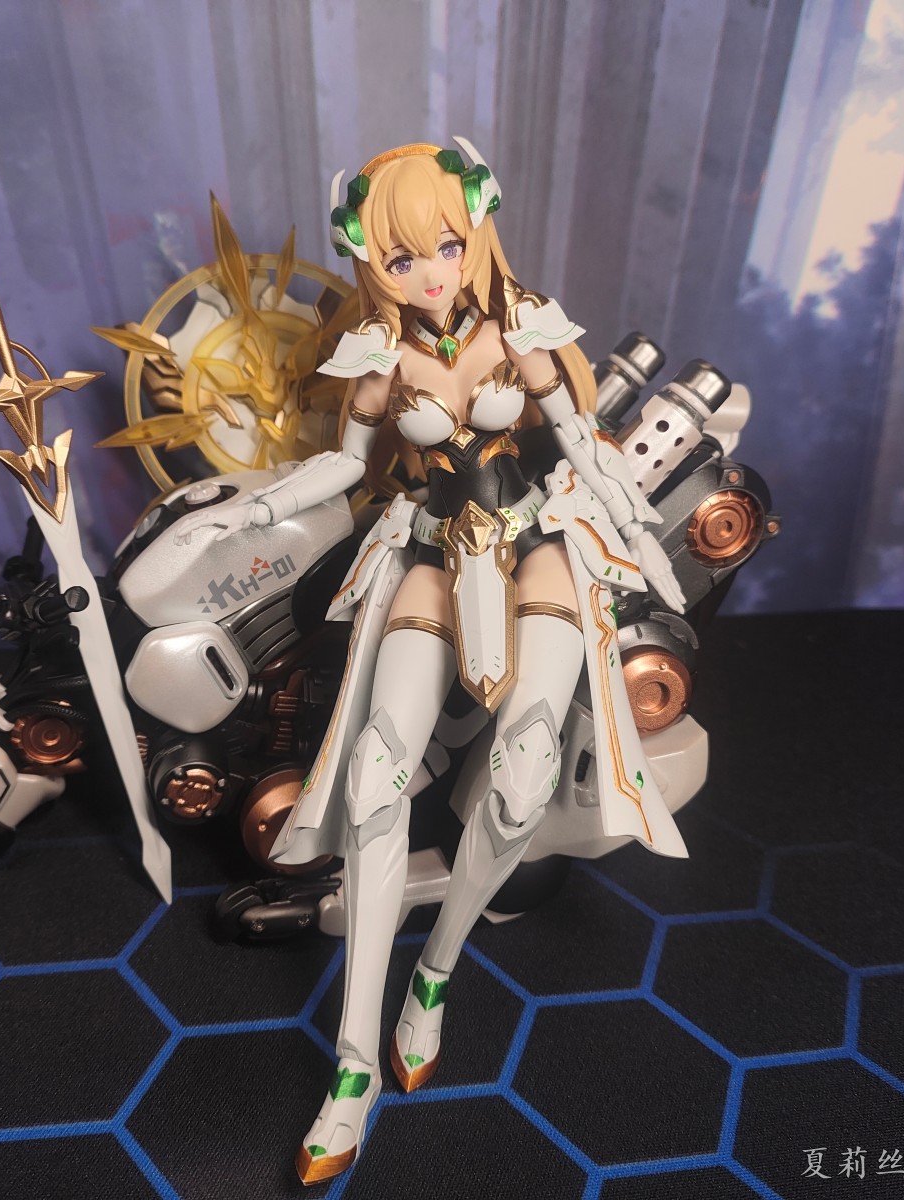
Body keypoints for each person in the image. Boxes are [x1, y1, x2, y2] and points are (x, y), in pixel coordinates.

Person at [172, 140, 689, 1183]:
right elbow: (343, 465)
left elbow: (582, 443)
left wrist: (634, 524)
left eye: (445, 246)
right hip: (426, 548)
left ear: (476, 232)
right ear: (371, 261)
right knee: (374, 778)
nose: (429, 273)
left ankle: (438, 971)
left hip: (538, 543)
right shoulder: (375, 350)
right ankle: (353, 1065)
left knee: (523, 775)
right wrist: (243, 513)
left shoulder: (522, 326)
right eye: (401, 258)